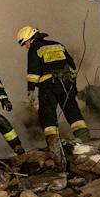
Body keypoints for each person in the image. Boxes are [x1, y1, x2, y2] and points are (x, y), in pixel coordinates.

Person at [18, 26, 86, 167]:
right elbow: (72, 66)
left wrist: (30, 91)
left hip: (49, 85)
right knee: (72, 110)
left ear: (31, 38)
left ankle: (54, 147)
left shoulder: (34, 49)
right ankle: (85, 139)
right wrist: (73, 86)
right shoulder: (57, 44)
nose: (25, 46)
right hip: (66, 83)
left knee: (47, 114)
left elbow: (33, 72)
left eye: (25, 43)